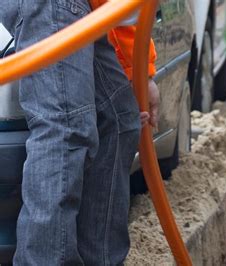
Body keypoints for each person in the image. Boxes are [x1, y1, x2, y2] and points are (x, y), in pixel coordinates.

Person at [1, 0, 159, 264]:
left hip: (79, 8)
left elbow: (118, 9)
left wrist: (142, 71)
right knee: (65, 129)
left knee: (119, 118)